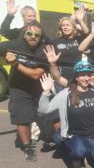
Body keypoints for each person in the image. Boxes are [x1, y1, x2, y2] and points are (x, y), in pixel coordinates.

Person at [38, 60, 94, 168]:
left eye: (88, 74)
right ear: (76, 77)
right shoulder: (65, 94)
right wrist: (45, 92)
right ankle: (76, 158)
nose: (86, 78)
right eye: (82, 75)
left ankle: (89, 153)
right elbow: (44, 110)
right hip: (74, 136)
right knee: (79, 151)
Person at [0, 20, 47, 161]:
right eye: (30, 33)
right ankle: (27, 147)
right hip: (18, 87)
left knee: (50, 114)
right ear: (25, 33)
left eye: (37, 35)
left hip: (38, 87)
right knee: (22, 117)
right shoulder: (14, 45)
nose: (33, 37)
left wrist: (15, 64)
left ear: (40, 37)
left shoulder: (44, 49)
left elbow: (36, 74)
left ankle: (56, 138)